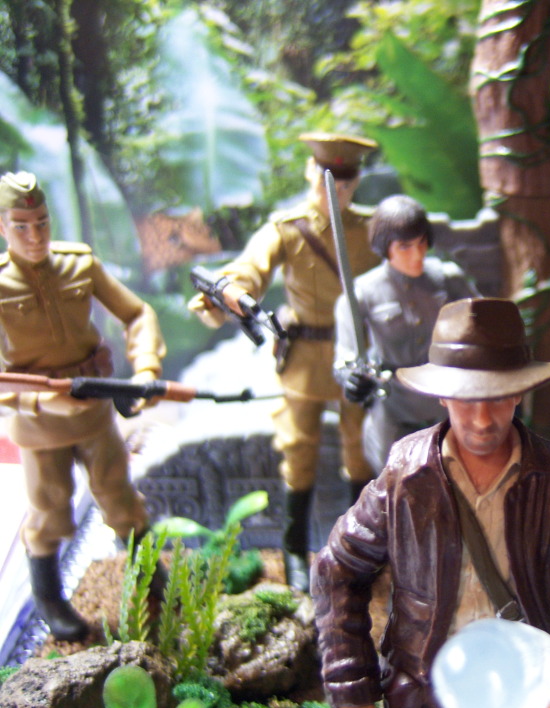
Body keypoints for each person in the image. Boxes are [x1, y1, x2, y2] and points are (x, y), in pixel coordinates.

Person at [312, 297, 550, 708]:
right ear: (441, 394)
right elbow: (337, 569)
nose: (480, 419)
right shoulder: (405, 476)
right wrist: (353, 692)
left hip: (530, 680)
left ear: (519, 392)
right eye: (466, 399)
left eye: (496, 397)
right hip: (429, 679)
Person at [189, 133, 379, 592]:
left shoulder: (371, 227)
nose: (334, 192)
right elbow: (249, 269)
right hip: (306, 356)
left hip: (355, 352)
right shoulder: (288, 228)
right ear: (310, 173)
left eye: (345, 183)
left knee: (361, 451)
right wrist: (229, 294)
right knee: (299, 451)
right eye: (326, 180)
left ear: (355, 183)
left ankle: (361, 546)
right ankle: (294, 548)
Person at [0, 171, 166, 641]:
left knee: (121, 499)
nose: (35, 235)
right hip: (38, 424)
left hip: (94, 410)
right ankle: (50, 599)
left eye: (42, 222)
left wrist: (146, 368)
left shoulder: (78, 265)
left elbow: (137, 313)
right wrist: (39, 399)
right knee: (49, 511)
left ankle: (152, 579)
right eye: (21, 226)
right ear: (2, 227)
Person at [334, 194, 479, 474]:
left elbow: (483, 327)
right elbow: (346, 356)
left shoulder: (448, 278)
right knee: (397, 486)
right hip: (395, 410)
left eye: (422, 242)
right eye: (404, 246)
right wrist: (351, 378)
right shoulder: (362, 293)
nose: (417, 254)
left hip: (447, 406)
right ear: (384, 247)